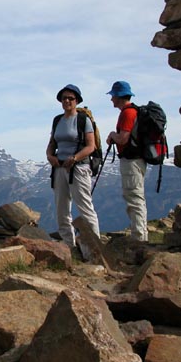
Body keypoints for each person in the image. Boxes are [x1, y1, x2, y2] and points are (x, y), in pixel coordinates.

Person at [46, 84, 100, 252]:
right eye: (64, 98)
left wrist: (75, 158)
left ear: (77, 101)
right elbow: (52, 143)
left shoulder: (84, 121)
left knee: (85, 208)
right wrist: (50, 156)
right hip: (59, 168)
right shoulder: (57, 120)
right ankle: (69, 247)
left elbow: (91, 146)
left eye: (70, 98)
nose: (67, 101)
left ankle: (93, 250)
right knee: (62, 210)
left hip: (78, 168)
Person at [105, 80, 148, 242]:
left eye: (113, 96)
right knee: (136, 196)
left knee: (133, 197)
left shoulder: (127, 113)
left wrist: (111, 136)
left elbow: (123, 139)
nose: (111, 99)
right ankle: (141, 234)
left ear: (119, 96)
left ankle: (139, 238)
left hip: (131, 161)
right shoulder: (133, 112)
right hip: (138, 160)